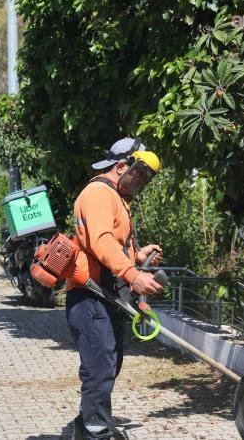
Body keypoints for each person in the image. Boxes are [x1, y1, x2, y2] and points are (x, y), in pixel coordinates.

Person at [66, 137, 164, 439]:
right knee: (100, 368)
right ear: (121, 166)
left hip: (105, 297)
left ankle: (88, 426)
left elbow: (113, 244)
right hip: (89, 296)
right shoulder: (98, 193)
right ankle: (93, 433)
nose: (141, 183)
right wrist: (132, 273)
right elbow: (100, 241)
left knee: (108, 365)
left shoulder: (116, 197)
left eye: (146, 179)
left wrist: (136, 254)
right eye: (139, 175)